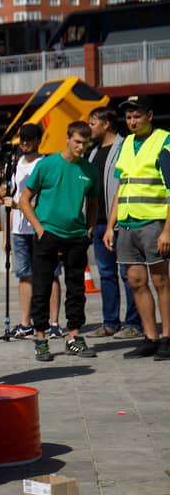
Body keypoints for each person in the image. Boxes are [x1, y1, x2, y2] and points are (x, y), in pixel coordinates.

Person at [18, 121, 100, 361]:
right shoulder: (48, 165)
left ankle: (74, 336)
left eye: (84, 143)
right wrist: (39, 228)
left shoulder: (89, 170)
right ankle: (41, 337)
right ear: (67, 138)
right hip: (48, 234)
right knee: (42, 286)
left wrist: (90, 229)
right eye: (76, 141)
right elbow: (24, 200)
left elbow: (93, 204)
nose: (80, 147)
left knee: (76, 289)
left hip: (76, 236)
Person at [103, 94, 170, 360]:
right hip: (127, 225)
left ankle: (167, 338)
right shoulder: (126, 144)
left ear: (149, 116)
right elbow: (120, 188)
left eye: (137, 116)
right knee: (136, 281)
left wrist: (167, 229)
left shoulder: (163, 141)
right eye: (128, 117)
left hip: (153, 223)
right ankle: (150, 336)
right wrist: (111, 226)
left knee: (161, 281)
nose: (132, 121)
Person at [84, 106, 143, 339]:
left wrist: (115, 220)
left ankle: (134, 323)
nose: (89, 128)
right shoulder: (93, 151)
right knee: (106, 274)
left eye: (92, 123)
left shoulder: (124, 147)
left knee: (127, 273)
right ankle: (110, 322)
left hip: (119, 223)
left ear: (106, 124)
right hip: (98, 223)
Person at [2, 124, 63, 340]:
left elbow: (45, 199)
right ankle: (26, 322)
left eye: (30, 139)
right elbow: (10, 197)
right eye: (23, 139)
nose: (25, 142)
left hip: (41, 227)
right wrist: (6, 236)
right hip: (19, 230)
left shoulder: (45, 164)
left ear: (38, 140)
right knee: (24, 276)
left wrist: (18, 205)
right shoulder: (15, 164)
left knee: (51, 275)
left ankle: (54, 323)